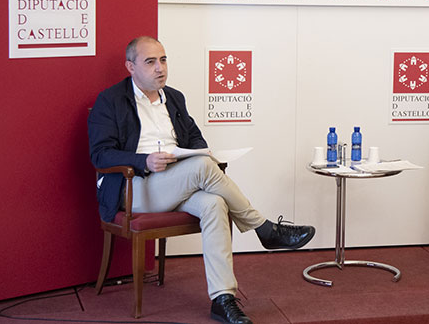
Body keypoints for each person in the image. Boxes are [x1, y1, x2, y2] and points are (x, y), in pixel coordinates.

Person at [88, 36, 315, 324]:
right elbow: (101, 155)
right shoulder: (110, 100)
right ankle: (263, 228)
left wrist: (194, 152)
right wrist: (143, 160)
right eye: (150, 62)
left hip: (176, 182)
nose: (160, 68)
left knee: (215, 204)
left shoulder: (174, 97)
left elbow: (195, 138)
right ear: (130, 67)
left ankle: (222, 299)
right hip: (135, 187)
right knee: (203, 167)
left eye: (163, 60)